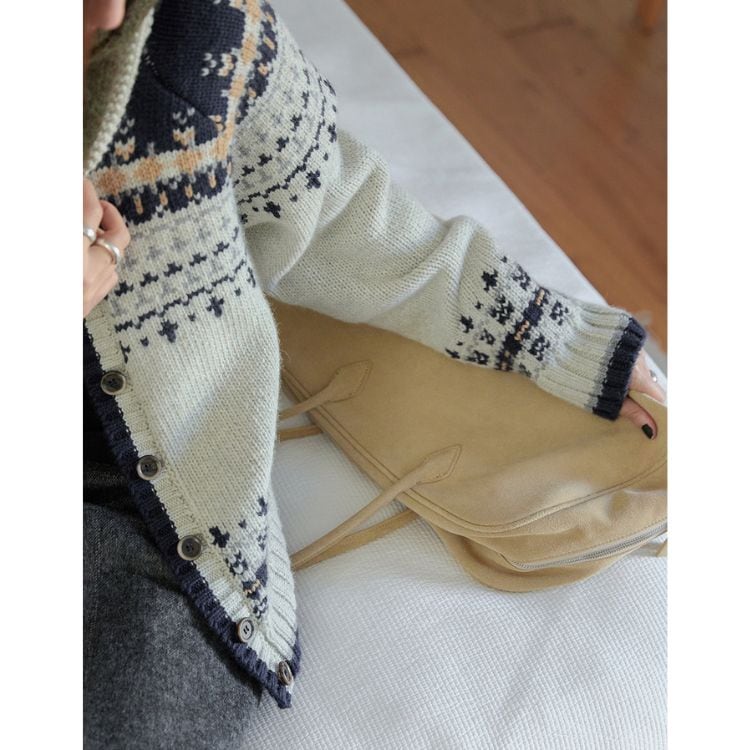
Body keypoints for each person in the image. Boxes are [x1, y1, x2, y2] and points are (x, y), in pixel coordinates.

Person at [82, 0, 666, 746]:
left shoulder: (195, 37)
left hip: (146, 517)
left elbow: (344, 212)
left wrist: (557, 335)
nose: (107, 12)